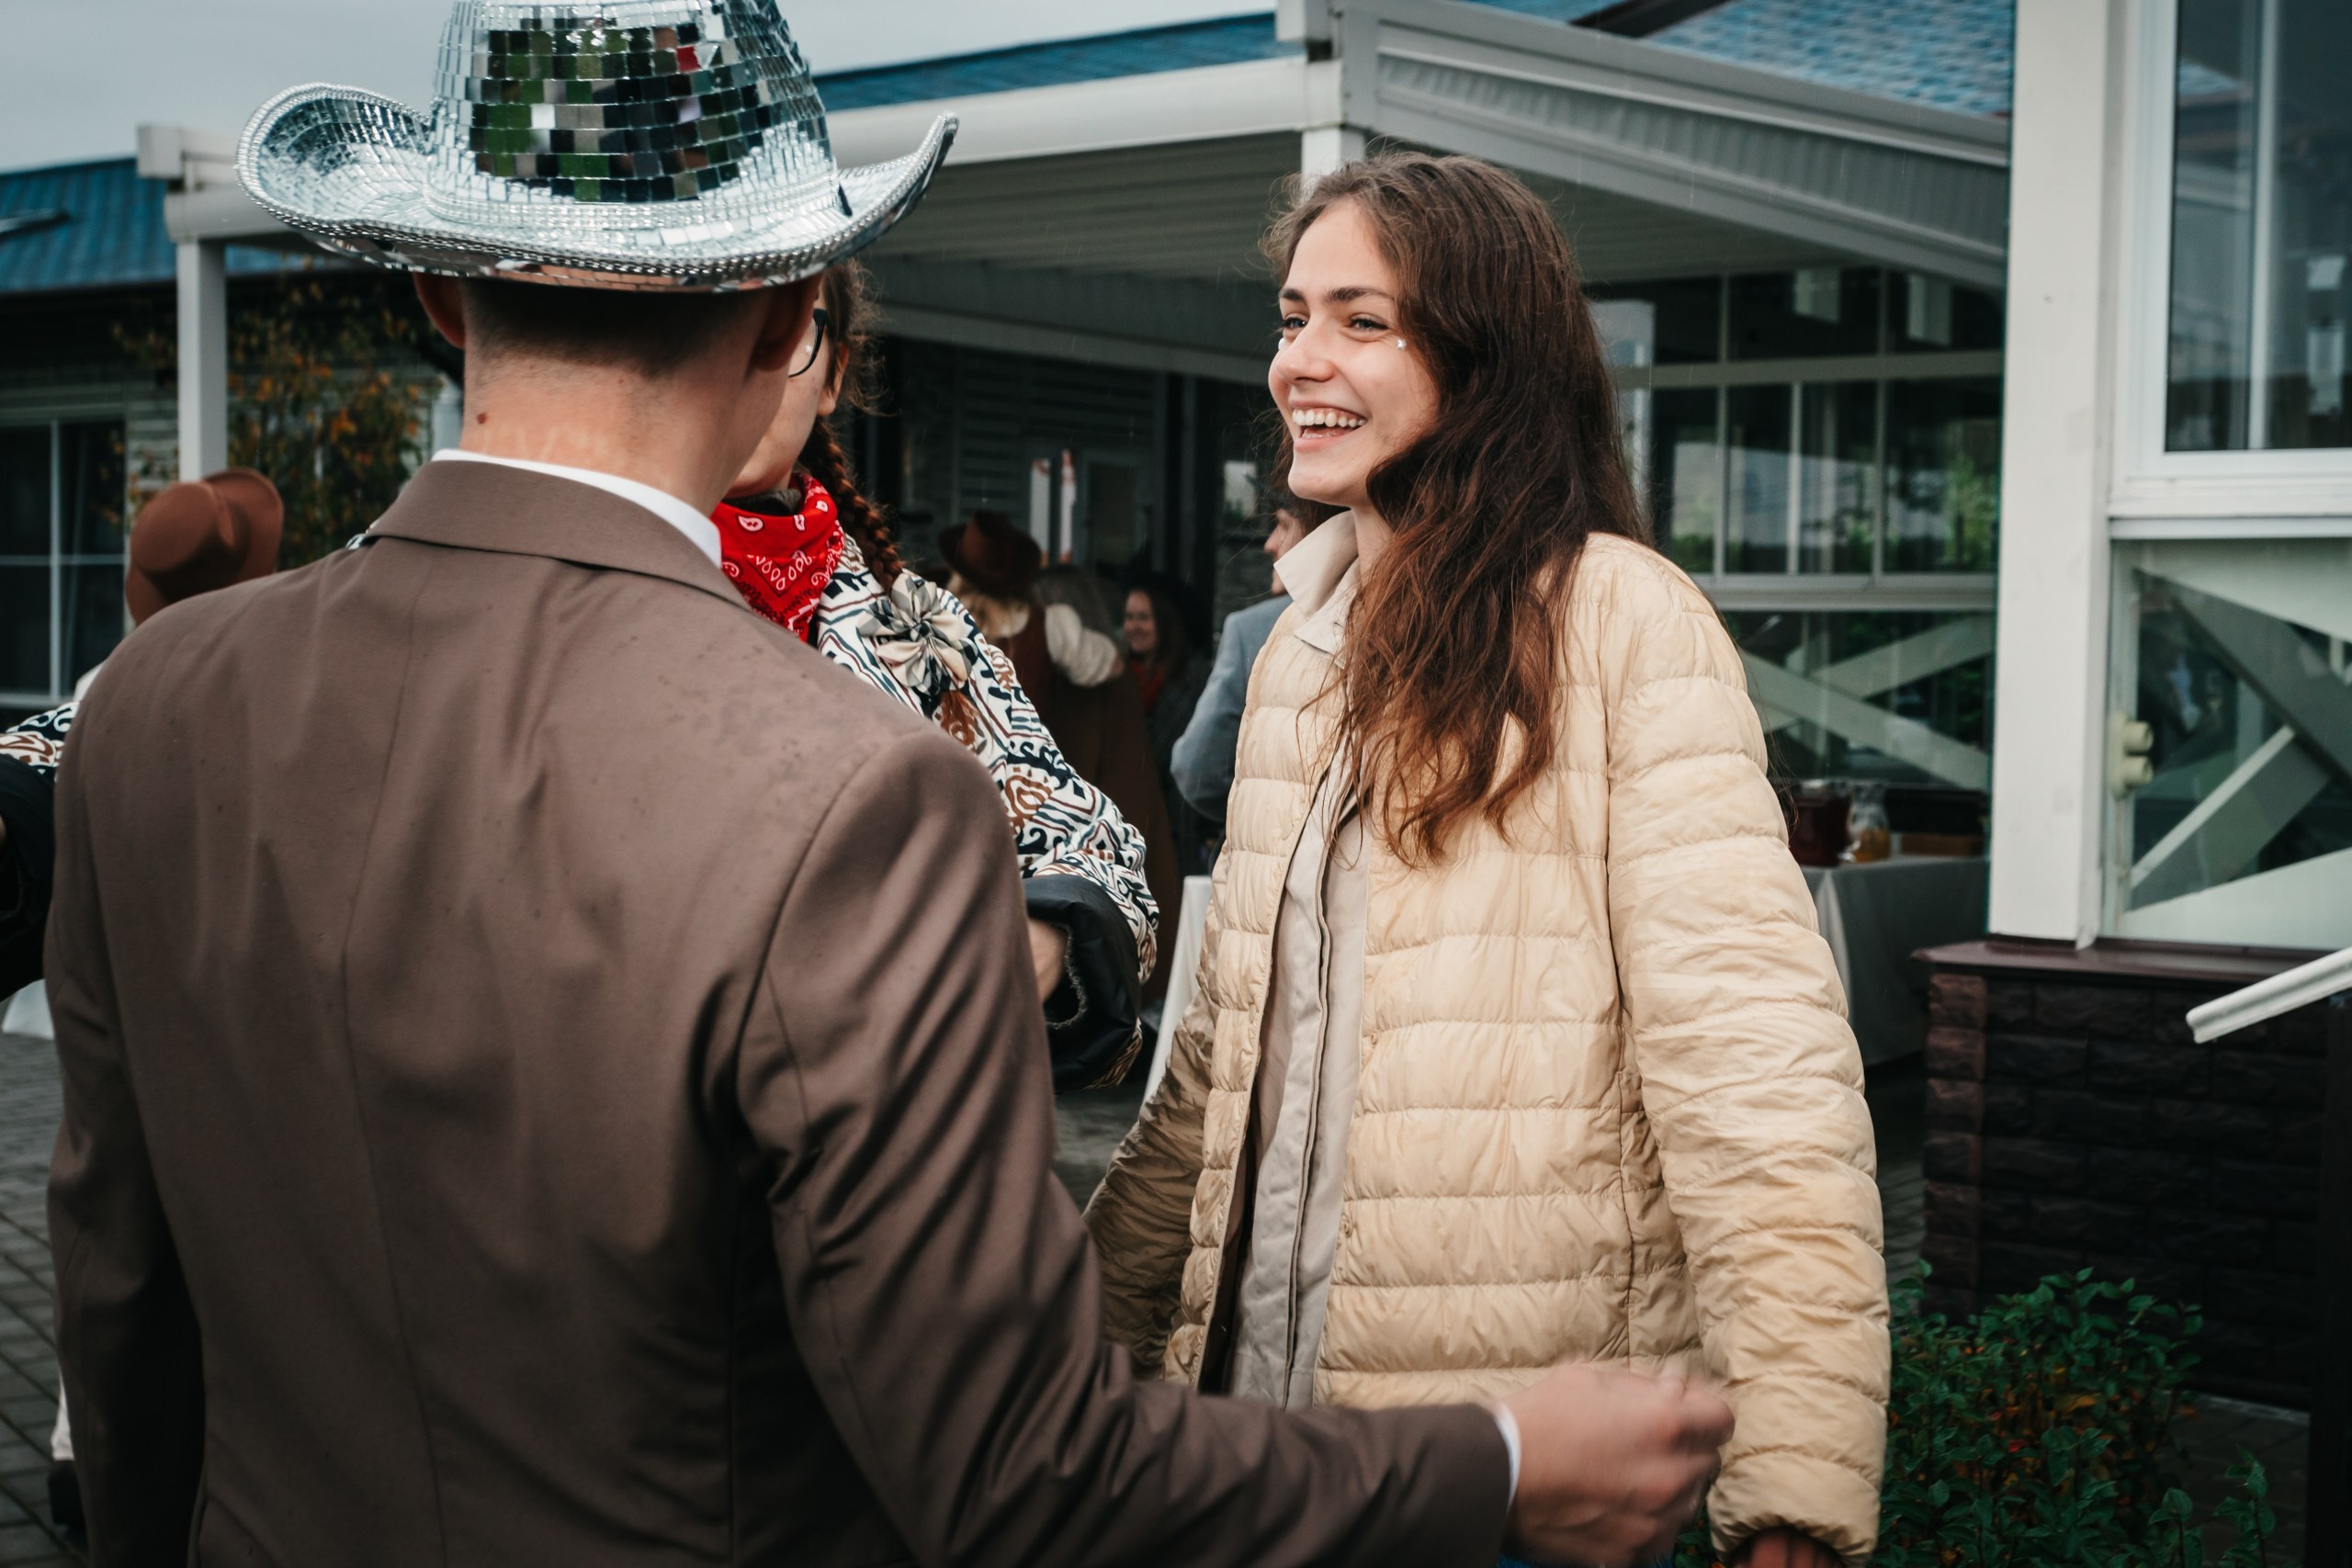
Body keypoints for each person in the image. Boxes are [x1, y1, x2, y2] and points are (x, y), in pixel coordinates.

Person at [47, 14, 1735, 1565]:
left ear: (436, 294)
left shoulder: (153, 712)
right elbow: (1021, 1478)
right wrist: (1505, 1456)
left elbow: (120, 1309)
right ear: (795, 315)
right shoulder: (859, 795)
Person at [1085, 152, 1890, 1568]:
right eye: (1290, 316)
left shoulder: (1620, 623)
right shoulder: (1299, 652)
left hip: (1520, 1482)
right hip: (1262, 1456)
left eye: (1361, 320)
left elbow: (1755, 1074)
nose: (1300, 362)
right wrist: (1058, 1342)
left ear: (1488, 354)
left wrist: (1794, 1488)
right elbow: (1221, 1069)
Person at [709, 260, 1154, 1089]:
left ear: (836, 373)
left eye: (786, 332)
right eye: (714, 321)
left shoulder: (919, 627)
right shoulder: (570, 593)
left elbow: (1098, 847)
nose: (748, 362)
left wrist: (1038, 937)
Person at [947, 522, 1182, 998]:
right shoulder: (1048, 626)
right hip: (1024, 802)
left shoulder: (937, 625)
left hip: (953, 797)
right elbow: (1110, 668)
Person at [1170, 497, 1314, 825]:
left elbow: (1197, 770)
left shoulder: (1254, 629)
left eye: (1283, 526)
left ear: (1318, 532)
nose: (1269, 544)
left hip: (1267, 856)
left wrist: (1256, 822)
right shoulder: (1393, 616)